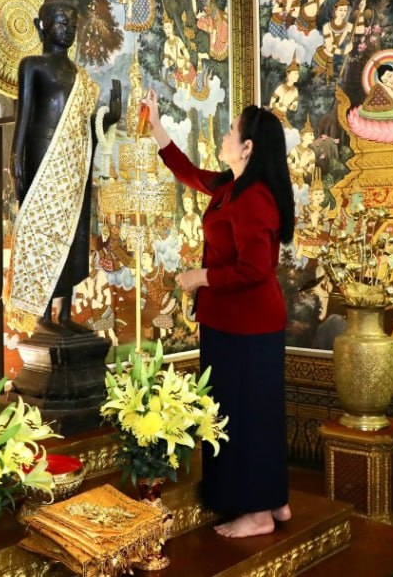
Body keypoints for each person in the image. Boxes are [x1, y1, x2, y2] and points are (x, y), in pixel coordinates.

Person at [143, 89, 294, 538]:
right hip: (236, 324)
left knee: (243, 417)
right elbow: (188, 173)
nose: (224, 137)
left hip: (247, 327)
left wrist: (200, 277)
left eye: (230, 131)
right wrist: (156, 125)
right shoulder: (232, 188)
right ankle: (274, 499)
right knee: (256, 413)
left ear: (247, 147)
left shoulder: (255, 198)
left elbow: (255, 269)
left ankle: (256, 513)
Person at [9, 0, 121, 333]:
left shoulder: (81, 77)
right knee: (45, 230)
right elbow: (24, 116)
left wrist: (110, 118)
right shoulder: (33, 66)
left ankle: (66, 314)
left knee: (75, 232)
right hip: (42, 155)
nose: (67, 28)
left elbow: (88, 127)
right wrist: (16, 158)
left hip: (75, 162)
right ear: (41, 25)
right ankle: (43, 315)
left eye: (72, 23)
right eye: (60, 21)